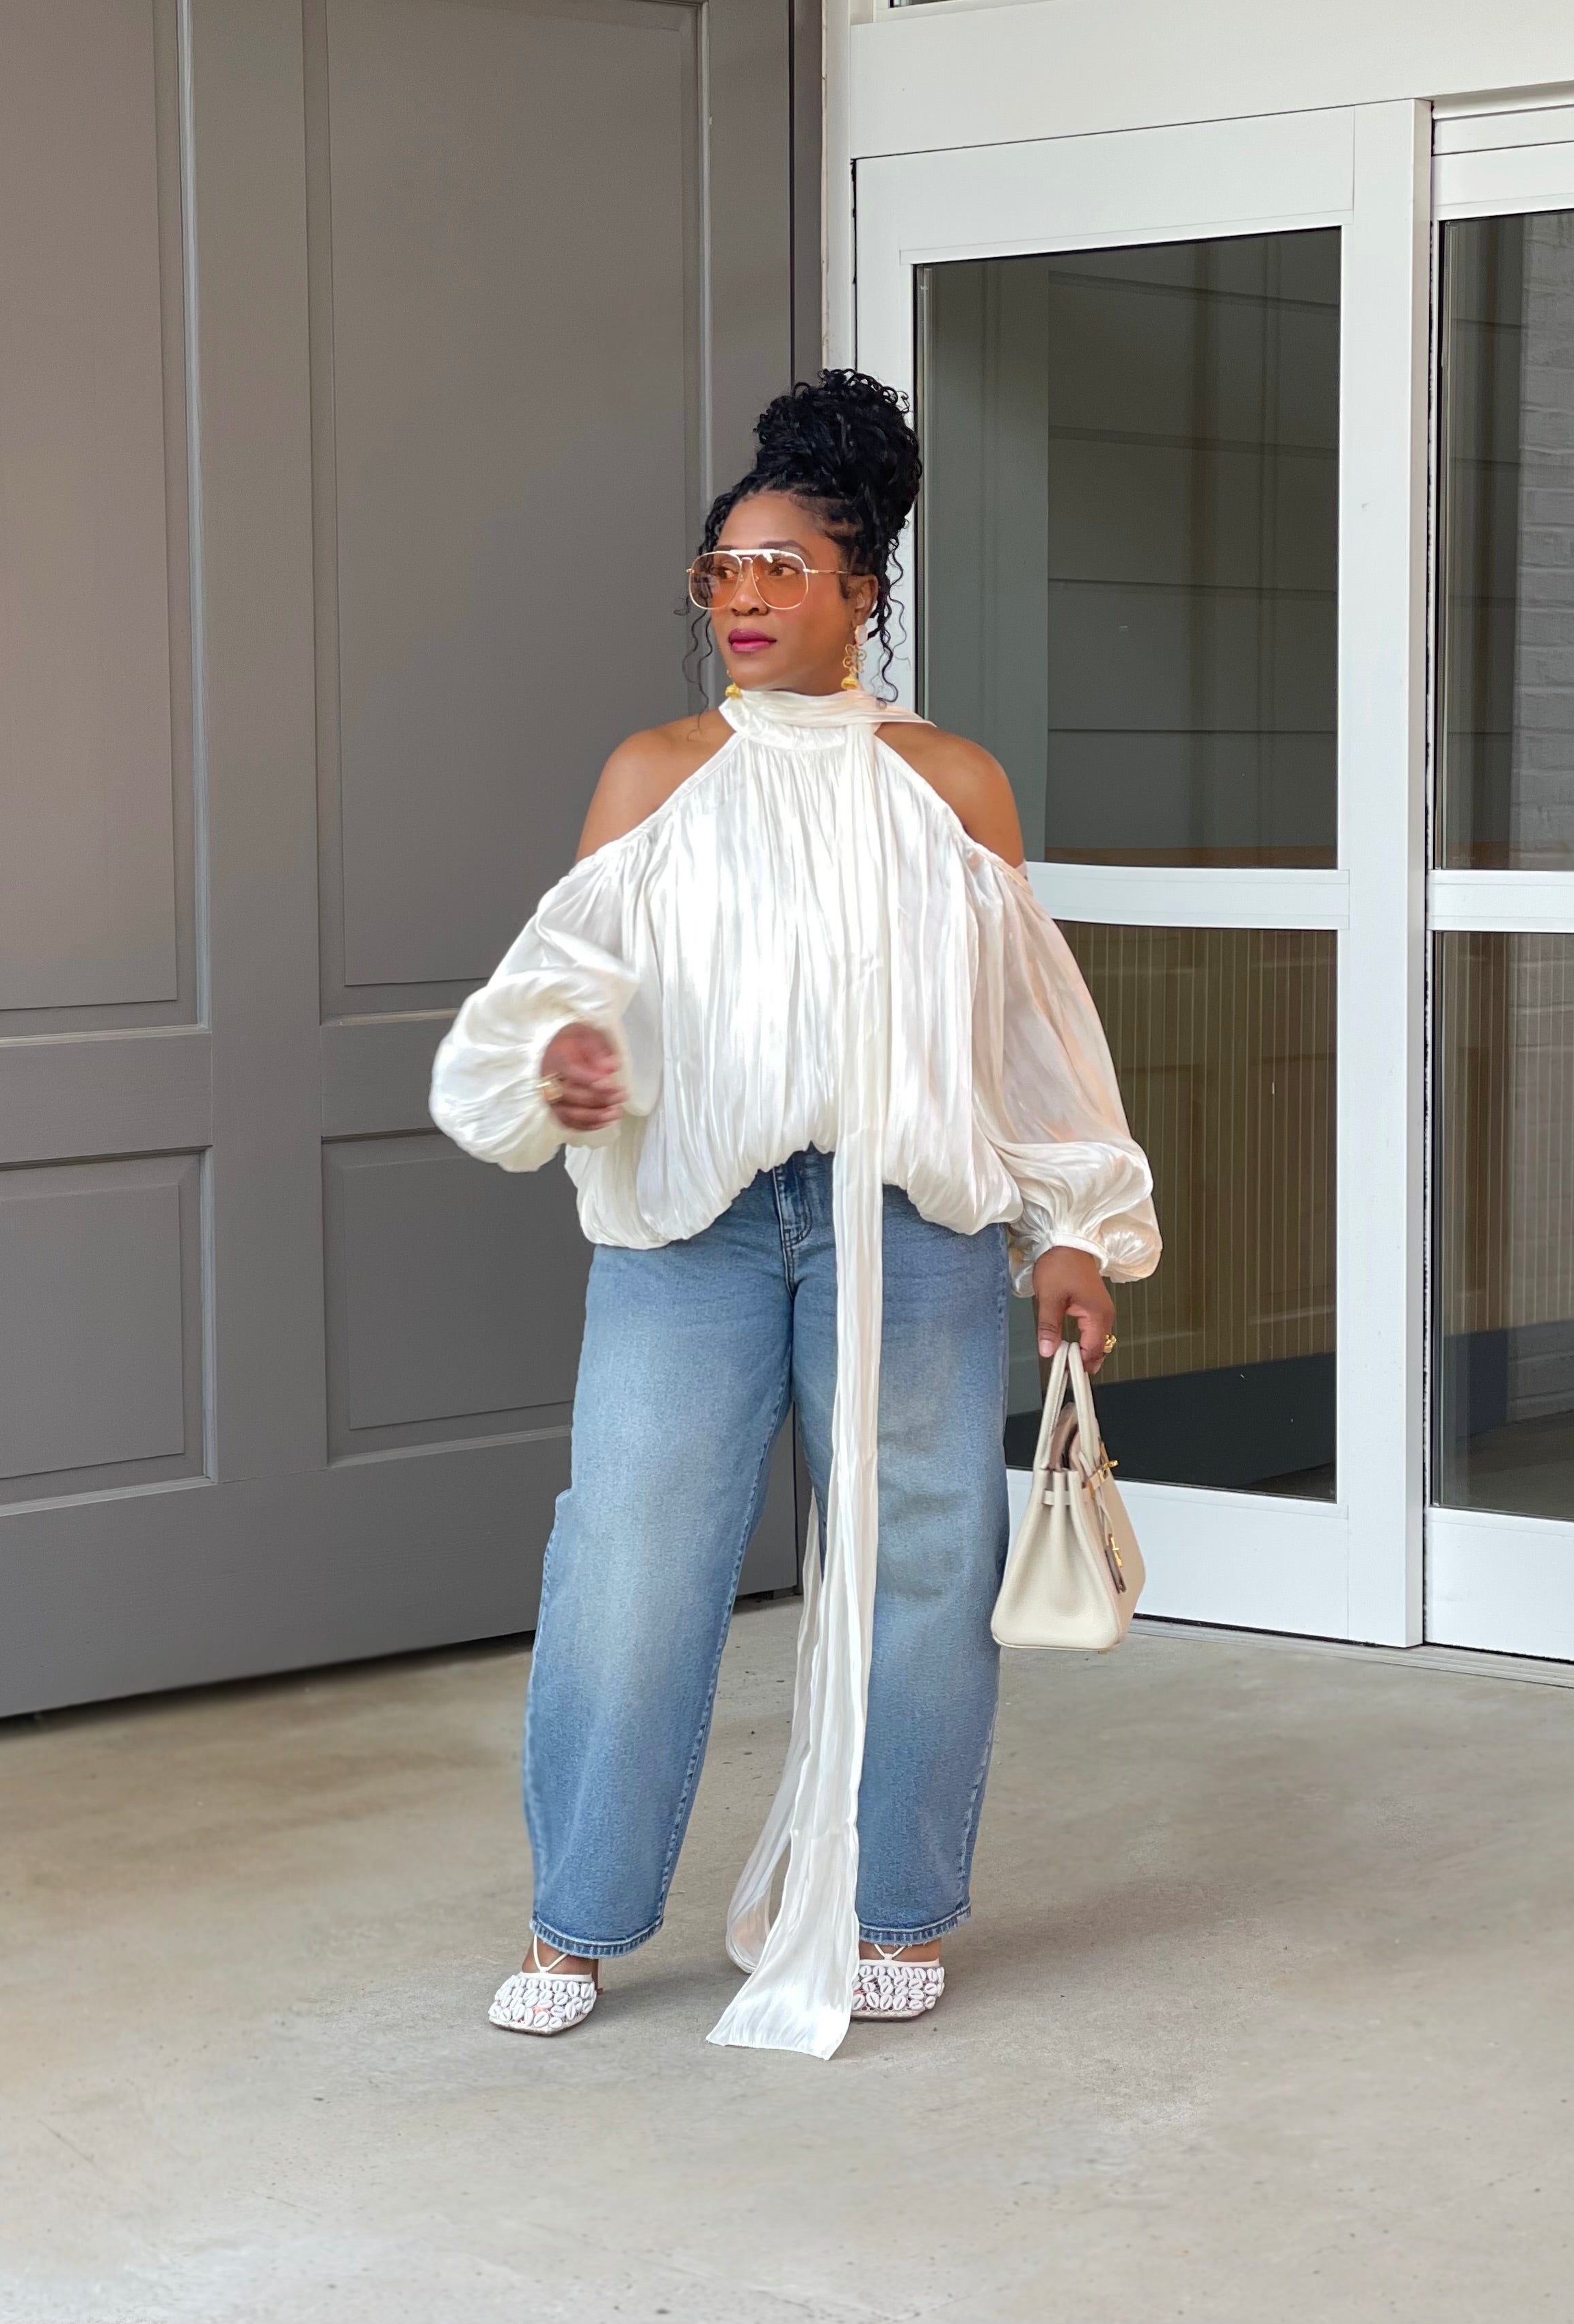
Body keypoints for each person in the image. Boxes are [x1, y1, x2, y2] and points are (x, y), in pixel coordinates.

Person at [429, 369, 1160, 2059]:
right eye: (721, 572)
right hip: (694, 1223)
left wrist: (1072, 1224)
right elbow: (548, 1002)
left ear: (864, 595)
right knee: (628, 1564)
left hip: (906, 1222)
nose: (744, 599)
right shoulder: (654, 773)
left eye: (781, 568)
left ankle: (895, 1903)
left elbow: (1027, 1030)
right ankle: (579, 1917)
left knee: (920, 1563)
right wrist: (566, 1070)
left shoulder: (951, 783)